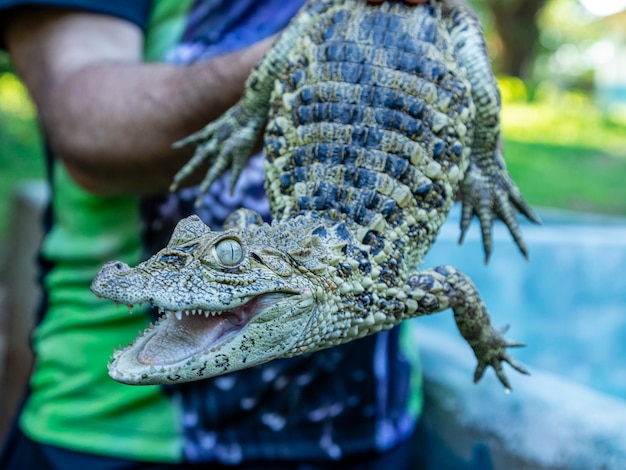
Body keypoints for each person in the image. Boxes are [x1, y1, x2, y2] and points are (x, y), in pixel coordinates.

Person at [0, 0, 430, 468]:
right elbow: (85, 124)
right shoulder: (327, 31)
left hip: (366, 429)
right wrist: (313, 43)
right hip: (114, 435)